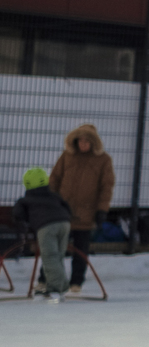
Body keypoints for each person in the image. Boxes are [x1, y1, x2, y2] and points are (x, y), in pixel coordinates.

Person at [49, 123, 115, 295]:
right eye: (80, 140)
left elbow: (106, 187)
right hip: (63, 211)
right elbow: (55, 179)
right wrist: (51, 201)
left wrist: (102, 210)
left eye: (87, 141)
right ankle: (48, 279)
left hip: (86, 214)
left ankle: (76, 282)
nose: (83, 144)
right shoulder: (67, 156)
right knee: (55, 248)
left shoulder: (104, 160)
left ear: (94, 142)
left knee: (81, 250)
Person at [13, 168, 74, 302]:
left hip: (46, 227)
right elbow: (67, 207)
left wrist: (28, 223)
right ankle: (61, 286)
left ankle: (56, 289)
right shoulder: (54, 195)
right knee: (58, 255)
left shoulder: (25, 200)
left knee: (50, 256)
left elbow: (18, 215)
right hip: (64, 223)